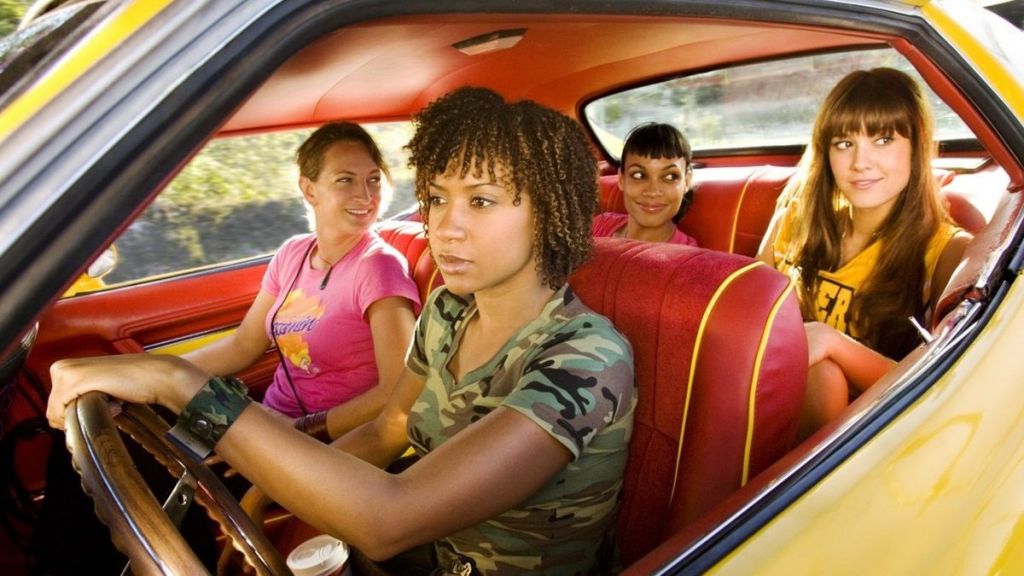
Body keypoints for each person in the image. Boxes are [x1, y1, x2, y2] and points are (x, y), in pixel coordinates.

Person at [47, 87, 636, 576]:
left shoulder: (585, 357)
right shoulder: (448, 311)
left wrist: (176, 380)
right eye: (435, 198)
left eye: (481, 202)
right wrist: (260, 494)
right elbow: (388, 428)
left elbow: (390, 519)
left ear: (549, 213)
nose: (444, 227)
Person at [757, 68, 972, 439]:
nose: (860, 162)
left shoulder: (947, 251)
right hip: (769, 402)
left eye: (883, 140)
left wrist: (830, 343)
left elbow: (946, 385)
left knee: (824, 375)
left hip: (868, 439)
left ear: (917, 146)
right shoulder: (796, 218)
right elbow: (753, 318)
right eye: (844, 143)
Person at [185, 121, 420, 436]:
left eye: (373, 180)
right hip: (267, 417)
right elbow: (244, 345)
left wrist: (300, 429)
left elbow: (398, 388)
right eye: (345, 180)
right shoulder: (292, 254)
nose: (366, 195)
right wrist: (168, 371)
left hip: (321, 437)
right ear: (310, 190)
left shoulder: (378, 267)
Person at [592, 122, 698, 245]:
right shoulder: (600, 225)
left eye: (670, 177)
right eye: (639, 175)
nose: (653, 192)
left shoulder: (689, 255)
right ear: (621, 179)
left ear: (686, 181)